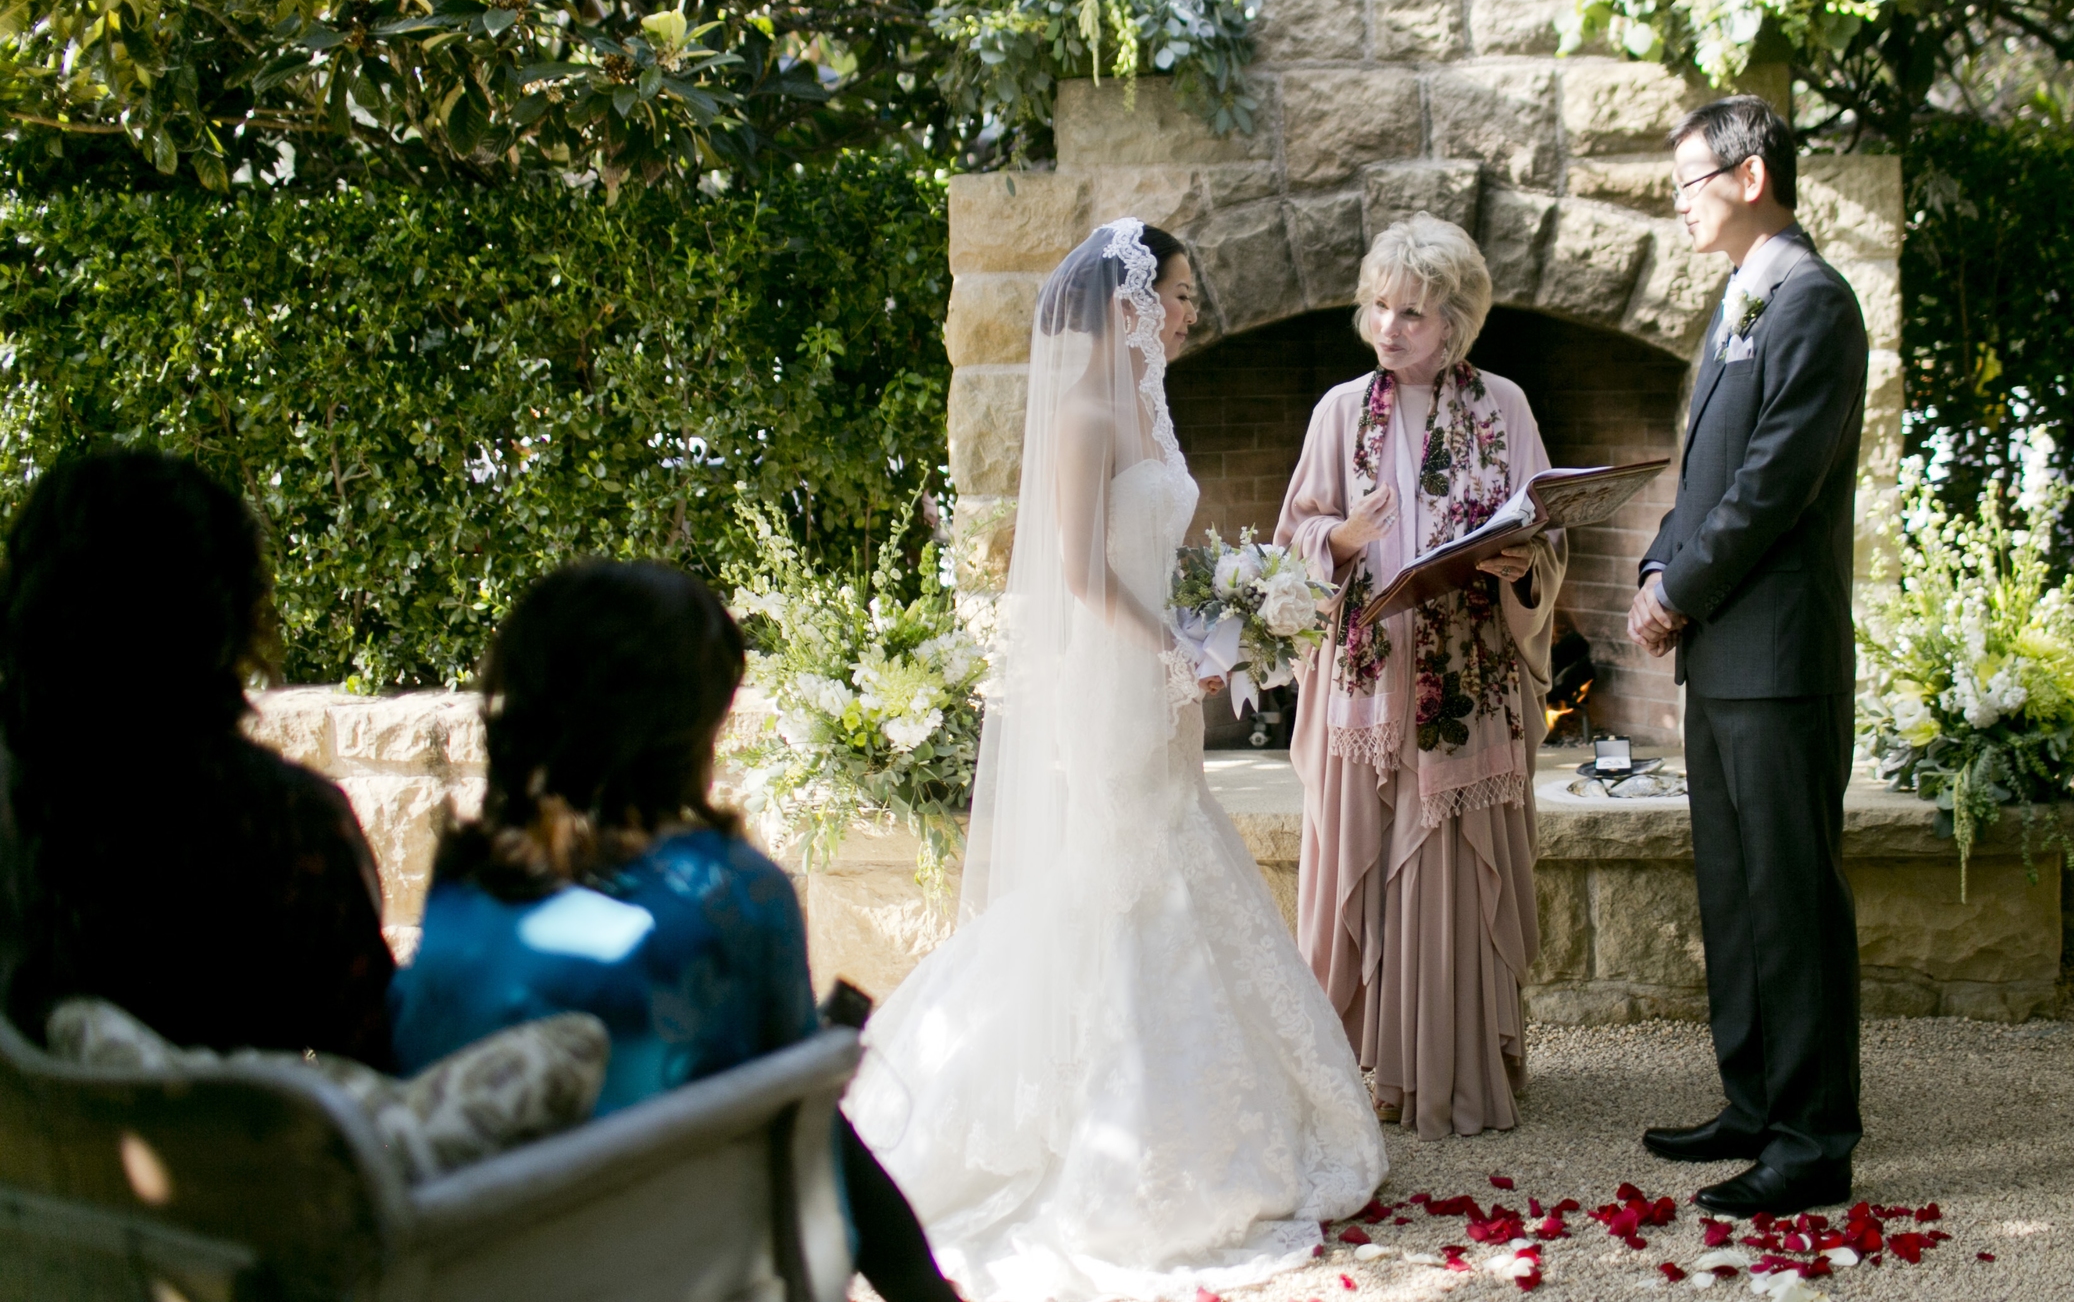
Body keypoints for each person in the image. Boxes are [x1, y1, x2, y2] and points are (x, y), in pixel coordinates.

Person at [845, 220, 1385, 1302]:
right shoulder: (1086, 413)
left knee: (1169, 859)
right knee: (1122, 879)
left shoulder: (1150, 401)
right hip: (1109, 682)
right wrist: (1175, 645)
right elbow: (1081, 575)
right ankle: (1091, 1128)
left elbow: (1157, 552)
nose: (1189, 314)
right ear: (1125, 299)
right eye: (1177, 295)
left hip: (1161, 682)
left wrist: (1233, 608)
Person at [389, 560, 952, 1302]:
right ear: (680, 730)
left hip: (473, 1262)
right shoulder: (733, 891)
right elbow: (797, 1122)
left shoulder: (467, 881)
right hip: (660, 1265)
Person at [1628, 95, 1870, 1216]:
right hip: (1722, 655)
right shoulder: (1735, 299)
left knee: (1791, 896)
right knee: (1734, 889)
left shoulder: (1813, 301)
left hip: (1779, 654)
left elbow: (1777, 479)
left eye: (1688, 177)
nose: (1676, 199)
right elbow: (1702, 475)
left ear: (1752, 174)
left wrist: (1684, 585)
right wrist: (1652, 570)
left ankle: (1814, 1139)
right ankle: (1753, 1098)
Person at [1277, 213, 1564, 1140]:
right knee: (1365, 862)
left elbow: (1545, 527)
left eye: (1413, 311)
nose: (1389, 326)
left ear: (1456, 323)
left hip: (1466, 680)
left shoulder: (1506, 407)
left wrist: (1522, 565)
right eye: (1379, 306)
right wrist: (1343, 537)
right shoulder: (1334, 412)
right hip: (1366, 679)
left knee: (1449, 872)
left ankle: (1448, 1071)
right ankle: (1357, 1076)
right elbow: (1293, 544)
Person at [0, 450, 397, 1068]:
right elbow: (382, 1062)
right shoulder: (286, 829)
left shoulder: (25, 818)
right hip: (232, 1161)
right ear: (227, 614)